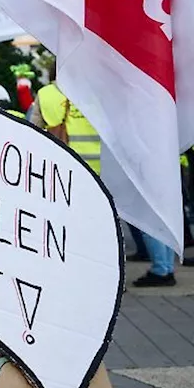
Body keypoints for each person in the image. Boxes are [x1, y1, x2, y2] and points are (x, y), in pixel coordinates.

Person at [30, 65, 178, 287]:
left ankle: (77, 273)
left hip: (71, 172)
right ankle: (112, 280)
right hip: (109, 171)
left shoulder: (46, 94)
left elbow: (35, 132)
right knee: (108, 229)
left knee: (74, 226)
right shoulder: (102, 93)